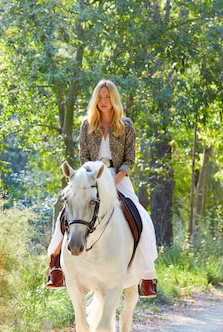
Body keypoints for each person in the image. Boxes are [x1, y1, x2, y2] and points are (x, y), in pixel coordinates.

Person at [46, 79, 158, 298]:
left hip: (118, 179)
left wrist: (113, 181)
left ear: (114, 100)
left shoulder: (126, 125)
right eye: (100, 97)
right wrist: (93, 179)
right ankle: (56, 268)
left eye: (108, 97)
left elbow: (129, 160)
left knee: (142, 217)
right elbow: (83, 157)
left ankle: (147, 276)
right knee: (65, 214)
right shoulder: (87, 125)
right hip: (89, 178)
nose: (104, 101)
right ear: (95, 99)